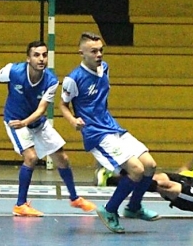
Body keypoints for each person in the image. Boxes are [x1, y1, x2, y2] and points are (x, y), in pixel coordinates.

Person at [0, 41, 96, 217]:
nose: (41, 59)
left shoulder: (51, 80)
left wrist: (26, 122)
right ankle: (20, 205)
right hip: (14, 121)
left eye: (44, 55)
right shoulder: (14, 71)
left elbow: (42, 109)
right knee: (31, 157)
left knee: (62, 158)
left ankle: (75, 198)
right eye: (36, 55)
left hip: (34, 122)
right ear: (28, 58)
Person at [59, 32, 159, 233]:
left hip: (112, 126)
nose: (99, 55)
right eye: (93, 51)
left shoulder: (104, 68)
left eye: (101, 50)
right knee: (136, 170)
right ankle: (109, 210)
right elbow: (62, 104)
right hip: (96, 133)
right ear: (81, 53)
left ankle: (134, 207)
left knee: (150, 165)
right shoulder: (73, 79)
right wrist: (72, 120)